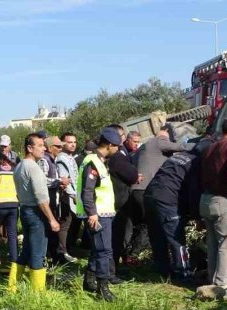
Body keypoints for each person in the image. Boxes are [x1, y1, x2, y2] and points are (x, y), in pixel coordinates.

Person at [144, 138, 211, 281]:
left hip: (150, 195)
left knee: (157, 236)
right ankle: (183, 272)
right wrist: (197, 217)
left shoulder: (179, 157)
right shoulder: (195, 163)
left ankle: (161, 270)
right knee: (176, 239)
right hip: (168, 200)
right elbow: (193, 193)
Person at [199, 118, 227, 298]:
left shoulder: (210, 147)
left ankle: (211, 281)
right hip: (222, 201)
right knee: (226, 244)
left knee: (212, 243)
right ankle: (221, 285)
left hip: (206, 200)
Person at [129, 125, 187, 264]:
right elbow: (181, 147)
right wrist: (199, 145)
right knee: (151, 226)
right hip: (147, 190)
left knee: (143, 224)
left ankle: (137, 256)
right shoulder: (159, 141)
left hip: (137, 190)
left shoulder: (143, 148)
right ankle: (134, 255)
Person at [79, 127, 122, 301]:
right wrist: (92, 213)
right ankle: (103, 289)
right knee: (104, 250)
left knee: (98, 249)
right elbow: (87, 191)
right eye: (117, 146)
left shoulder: (100, 161)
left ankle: (89, 280)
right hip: (98, 214)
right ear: (110, 145)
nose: (118, 149)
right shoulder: (93, 163)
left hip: (103, 212)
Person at [14, 133, 61, 292]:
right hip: (36, 212)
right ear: (29, 148)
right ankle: (37, 292)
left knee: (26, 249)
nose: (44, 149)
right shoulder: (33, 168)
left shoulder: (19, 166)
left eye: (43, 145)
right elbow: (41, 197)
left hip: (24, 209)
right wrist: (52, 219)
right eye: (40, 146)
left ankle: (13, 286)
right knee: (38, 251)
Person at [109, 129, 142, 282]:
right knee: (116, 237)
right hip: (118, 200)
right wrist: (135, 176)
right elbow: (130, 173)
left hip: (122, 199)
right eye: (134, 141)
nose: (136, 144)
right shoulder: (119, 156)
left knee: (120, 234)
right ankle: (111, 271)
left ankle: (114, 266)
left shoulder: (123, 154)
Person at [56, 132, 81, 262]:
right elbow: (64, 180)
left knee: (71, 223)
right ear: (63, 143)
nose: (73, 144)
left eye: (74, 142)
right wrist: (73, 195)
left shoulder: (70, 157)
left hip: (74, 195)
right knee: (65, 224)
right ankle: (62, 252)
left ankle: (68, 248)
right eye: (69, 142)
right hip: (67, 197)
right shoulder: (62, 159)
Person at [42, 135, 65, 263]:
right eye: (58, 146)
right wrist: (59, 181)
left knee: (52, 229)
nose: (61, 149)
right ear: (50, 148)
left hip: (52, 200)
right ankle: (49, 256)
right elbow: (42, 180)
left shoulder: (52, 159)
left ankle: (54, 256)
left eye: (61, 146)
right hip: (47, 201)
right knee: (49, 229)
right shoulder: (44, 160)